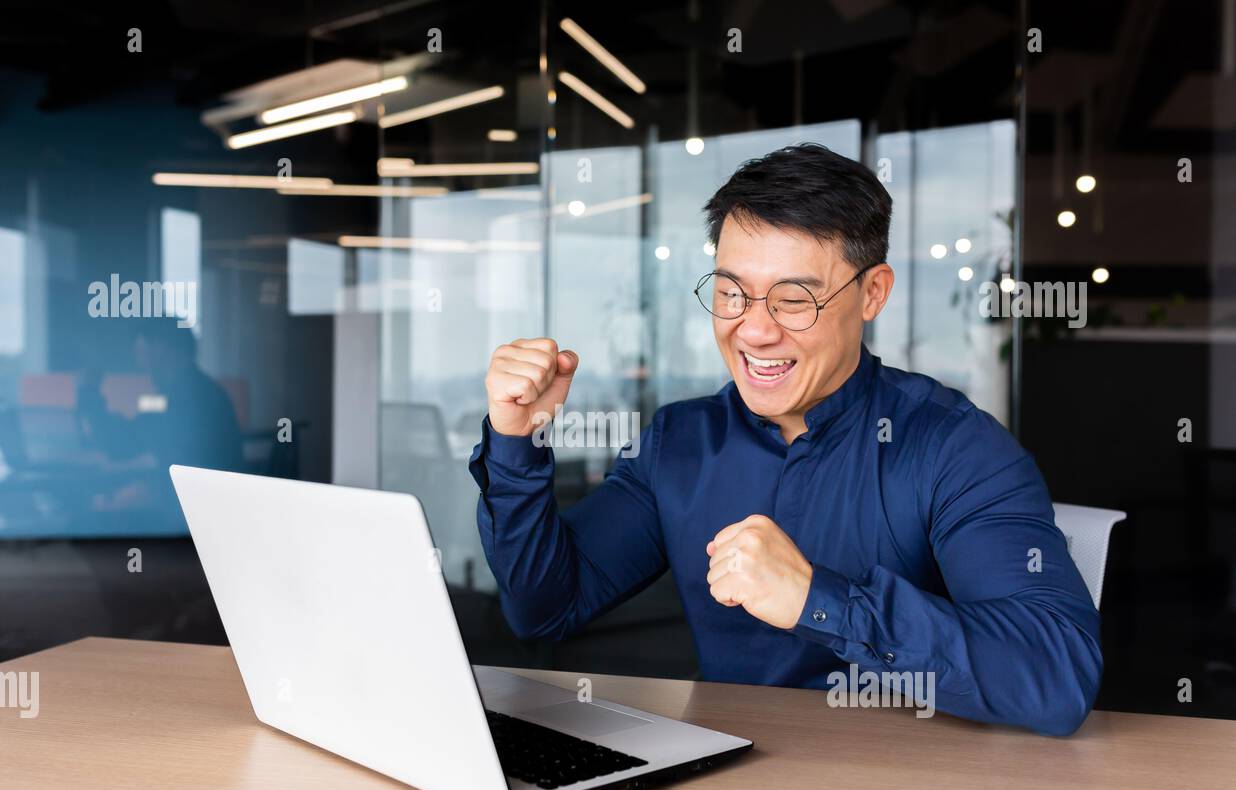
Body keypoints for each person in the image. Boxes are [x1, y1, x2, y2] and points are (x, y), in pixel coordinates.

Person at [468, 143, 1101, 736]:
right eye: (730, 293)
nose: (754, 330)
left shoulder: (955, 448)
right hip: (721, 784)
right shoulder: (680, 442)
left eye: (795, 299)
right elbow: (545, 608)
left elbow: (1056, 675)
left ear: (873, 293)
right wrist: (514, 440)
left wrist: (818, 599)